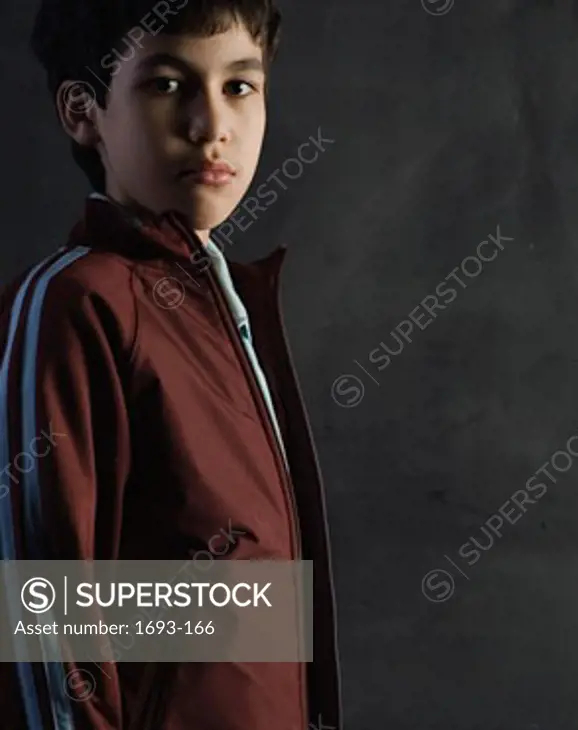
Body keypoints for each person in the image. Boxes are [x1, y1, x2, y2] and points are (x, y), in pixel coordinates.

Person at [0, 1, 341, 728]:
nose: (210, 125)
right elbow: (43, 608)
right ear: (83, 111)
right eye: (165, 85)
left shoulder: (230, 308)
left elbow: (238, 599)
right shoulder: (75, 301)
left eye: (239, 87)